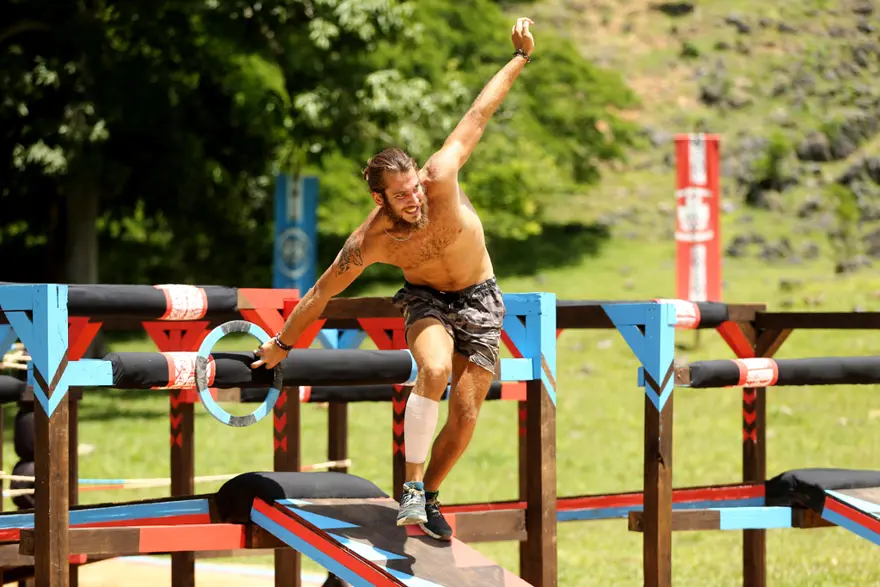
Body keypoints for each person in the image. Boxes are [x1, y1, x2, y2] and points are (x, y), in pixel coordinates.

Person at [252, 16, 535, 540]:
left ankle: (429, 494)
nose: (414, 199)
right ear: (379, 198)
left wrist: (519, 57)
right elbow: (319, 294)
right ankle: (409, 487)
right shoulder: (371, 241)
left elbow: (479, 112)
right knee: (431, 369)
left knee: (468, 410)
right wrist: (280, 345)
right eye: (401, 195)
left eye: (414, 188)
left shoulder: (441, 175)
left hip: (480, 295)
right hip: (427, 299)